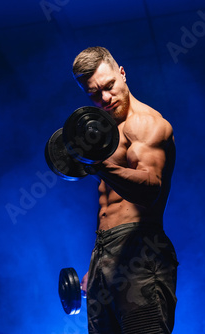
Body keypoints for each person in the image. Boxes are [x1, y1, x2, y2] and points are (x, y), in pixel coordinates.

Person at [72, 46, 178, 334]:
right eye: (94, 94)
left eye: (109, 87)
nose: (104, 98)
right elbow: (108, 207)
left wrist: (99, 165)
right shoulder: (103, 133)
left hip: (141, 251)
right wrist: (96, 267)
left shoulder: (147, 125)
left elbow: (149, 191)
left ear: (122, 74)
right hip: (103, 253)